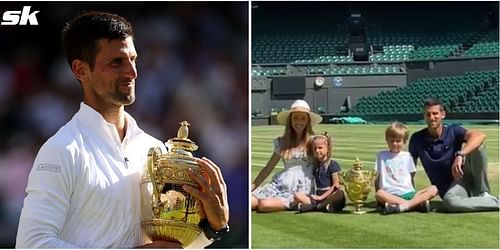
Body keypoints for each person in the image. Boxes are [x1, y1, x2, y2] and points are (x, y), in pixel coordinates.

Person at [15, 12, 229, 248]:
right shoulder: (62, 150)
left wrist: (213, 229)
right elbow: (32, 244)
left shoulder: (155, 149)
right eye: (116, 62)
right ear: (81, 70)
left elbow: (167, 245)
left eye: (133, 59)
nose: (132, 72)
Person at [409, 97, 499, 212]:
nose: (432, 118)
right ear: (424, 116)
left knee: (478, 147)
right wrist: (411, 198)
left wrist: (460, 155)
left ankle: (483, 193)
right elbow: (409, 170)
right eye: (428, 114)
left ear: (443, 114)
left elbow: (480, 135)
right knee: (450, 202)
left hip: (464, 177)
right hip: (451, 189)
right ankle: (493, 202)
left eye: (435, 114)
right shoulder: (417, 139)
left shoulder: (453, 131)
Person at [251, 99, 321, 212]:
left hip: (302, 188)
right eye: (295, 118)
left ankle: (297, 202)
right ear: (290, 121)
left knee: (264, 205)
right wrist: (253, 186)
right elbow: (269, 167)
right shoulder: (282, 142)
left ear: (308, 121)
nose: (299, 122)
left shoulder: (314, 142)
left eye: (303, 118)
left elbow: (324, 163)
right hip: (282, 183)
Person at [374, 122, 438, 215]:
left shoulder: (408, 156)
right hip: (390, 194)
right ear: (387, 140)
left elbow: (411, 176)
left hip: (408, 193)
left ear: (404, 141)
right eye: (392, 141)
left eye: (398, 141)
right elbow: (378, 177)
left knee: (434, 189)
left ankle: (401, 206)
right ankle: (416, 205)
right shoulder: (381, 155)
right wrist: (378, 199)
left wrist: (413, 193)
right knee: (379, 194)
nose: (395, 144)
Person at [294, 132, 346, 213]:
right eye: (315, 148)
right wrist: (316, 197)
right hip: (317, 196)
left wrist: (321, 197)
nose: (317, 150)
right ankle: (323, 206)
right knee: (297, 195)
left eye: (320, 148)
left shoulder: (332, 164)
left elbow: (336, 185)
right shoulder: (315, 165)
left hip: (329, 195)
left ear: (328, 148)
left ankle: (316, 207)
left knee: (340, 193)